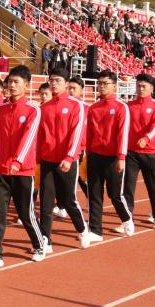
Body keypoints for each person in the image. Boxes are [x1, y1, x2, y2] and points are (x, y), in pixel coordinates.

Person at [0, 65, 46, 267]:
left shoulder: (33, 110)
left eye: (16, 82)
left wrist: (18, 161)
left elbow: (29, 138)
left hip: (23, 171)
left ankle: (39, 244)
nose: (11, 85)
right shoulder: (0, 110)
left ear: (26, 85)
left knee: (25, 213)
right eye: (10, 82)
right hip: (2, 170)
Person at [37, 69, 91, 251]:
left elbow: (77, 133)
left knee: (68, 200)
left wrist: (69, 157)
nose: (53, 83)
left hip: (66, 161)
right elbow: (40, 136)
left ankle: (82, 230)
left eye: (58, 80)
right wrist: (37, 158)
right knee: (46, 202)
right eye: (51, 80)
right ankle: (46, 240)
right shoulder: (44, 107)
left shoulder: (76, 105)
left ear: (66, 84)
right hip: (47, 160)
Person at [85, 70, 134, 242]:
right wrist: (87, 155)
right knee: (94, 194)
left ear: (114, 86)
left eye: (105, 83)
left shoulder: (121, 107)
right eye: (99, 83)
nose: (101, 86)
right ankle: (95, 230)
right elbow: (89, 134)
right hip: (95, 156)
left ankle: (126, 218)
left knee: (115, 194)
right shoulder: (93, 108)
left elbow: (123, 134)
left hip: (113, 157)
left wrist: (121, 157)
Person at [124, 74, 155, 230]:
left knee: (153, 186)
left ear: (151, 88)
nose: (140, 89)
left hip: (150, 152)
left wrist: (146, 138)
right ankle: (127, 219)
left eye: (144, 86)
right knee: (128, 187)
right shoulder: (129, 106)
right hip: (131, 152)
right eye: (138, 86)